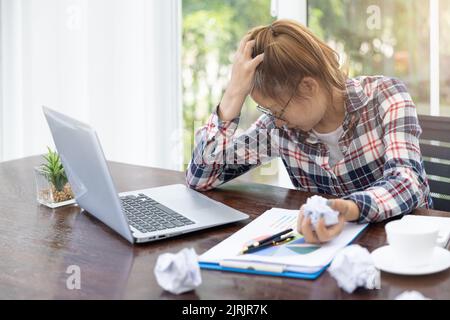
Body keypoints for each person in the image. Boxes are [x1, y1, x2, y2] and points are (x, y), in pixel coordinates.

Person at [186, 19, 432, 244]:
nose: (277, 122)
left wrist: (347, 208)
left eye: (279, 111)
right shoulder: (279, 128)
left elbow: (409, 182)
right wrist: (233, 95)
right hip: (330, 251)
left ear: (308, 86)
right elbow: (201, 177)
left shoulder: (385, 97)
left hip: (408, 246)